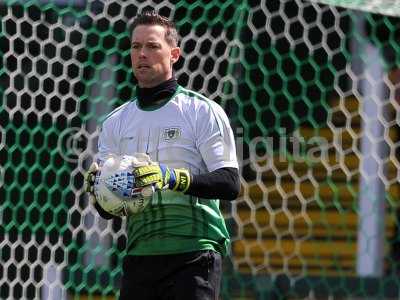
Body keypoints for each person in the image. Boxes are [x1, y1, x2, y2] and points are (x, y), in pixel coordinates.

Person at [85, 10, 240, 300]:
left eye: (152, 46)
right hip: (140, 255)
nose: (142, 53)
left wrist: (172, 178)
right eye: (135, 46)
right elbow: (110, 211)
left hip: (194, 254)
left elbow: (230, 182)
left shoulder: (202, 111)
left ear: (174, 54)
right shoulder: (115, 122)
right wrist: (100, 191)